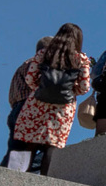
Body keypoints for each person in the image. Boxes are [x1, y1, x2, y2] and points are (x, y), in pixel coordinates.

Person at [8, 23, 90, 174]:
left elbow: (30, 78)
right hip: (63, 107)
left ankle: (16, 177)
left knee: (28, 141)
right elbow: (85, 87)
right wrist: (71, 92)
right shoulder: (81, 58)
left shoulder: (43, 54)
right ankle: (45, 183)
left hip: (37, 102)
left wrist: (40, 89)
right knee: (53, 145)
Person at [0, 37, 49, 169]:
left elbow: (12, 96)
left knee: (16, 150)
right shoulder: (36, 65)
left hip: (16, 109)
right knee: (23, 152)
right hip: (30, 108)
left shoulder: (23, 65)